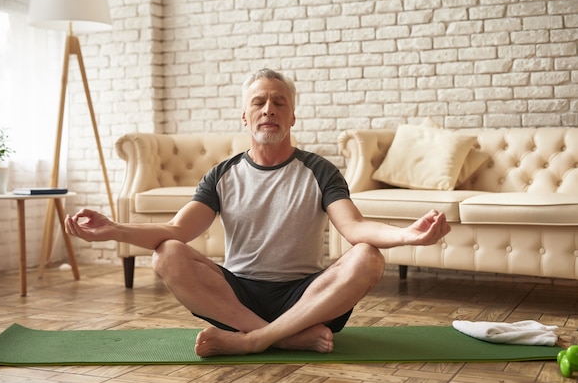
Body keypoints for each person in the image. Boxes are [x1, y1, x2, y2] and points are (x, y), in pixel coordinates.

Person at [65, 68, 451, 358]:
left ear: (292, 117)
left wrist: (408, 235)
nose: (269, 109)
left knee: (367, 255)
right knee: (167, 252)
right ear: (245, 118)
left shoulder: (319, 170)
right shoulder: (222, 174)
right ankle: (284, 336)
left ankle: (253, 340)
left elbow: (355, 227)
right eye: (259, 103)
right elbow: (177, 230)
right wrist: (113, 229)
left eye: (280, 102)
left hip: (308, 299)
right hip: (237, 298)